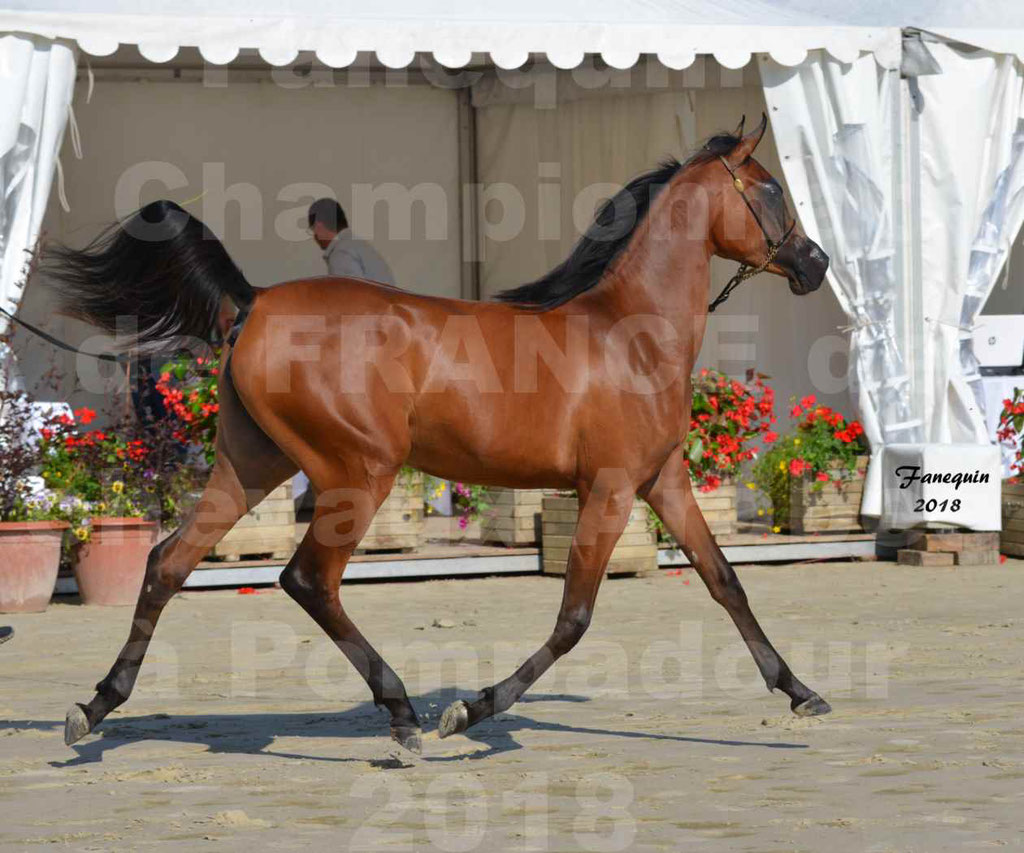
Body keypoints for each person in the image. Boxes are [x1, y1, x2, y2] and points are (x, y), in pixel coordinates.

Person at [307, 198, 396, 286]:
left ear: (319, 226)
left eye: (313, 230)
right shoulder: (356, 245)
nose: (314, 237)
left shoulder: (341, 253)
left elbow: (349, 297)